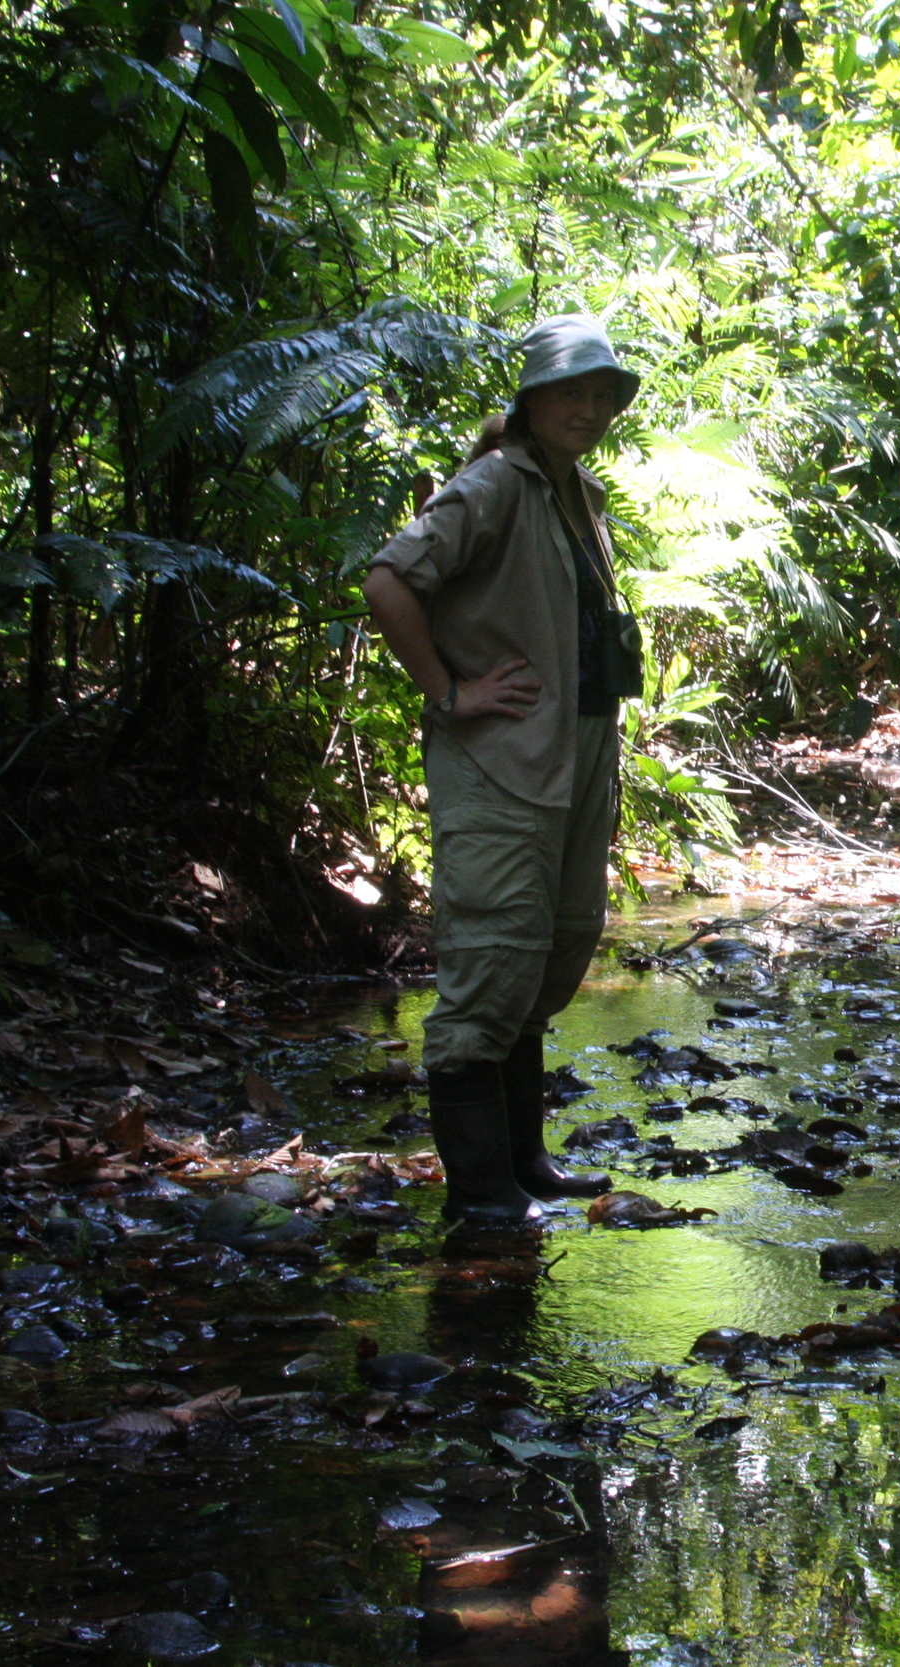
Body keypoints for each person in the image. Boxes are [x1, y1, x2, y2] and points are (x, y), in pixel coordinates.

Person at [361, 313, 643, 1222]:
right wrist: (450, 694)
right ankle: (482, 1198)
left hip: (571, 771)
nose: (591, 409)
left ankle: (525, 1167)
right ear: (534, 399)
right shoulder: (494, 485)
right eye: (575, 392)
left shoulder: (579, 497)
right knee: (488, 969)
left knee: (547, 960)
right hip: (500, 771)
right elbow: (388, 581)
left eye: (604, 395)